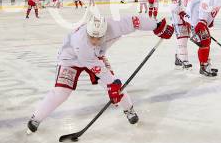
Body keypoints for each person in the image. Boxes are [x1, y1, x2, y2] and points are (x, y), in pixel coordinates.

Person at [26, 12, 174, 134]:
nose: (96, 40)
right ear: (87, 33)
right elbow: (98, 69)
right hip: (70, 58)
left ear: (105, 31)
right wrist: (112, 85)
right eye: (92, 37)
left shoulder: (114, 25)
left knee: (116, 84)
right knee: (62, 91)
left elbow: (136, 21)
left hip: (96, 56)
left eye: (99, 37)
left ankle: (129, 110)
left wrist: (157, 26)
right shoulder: (81, 43)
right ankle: (36, 118)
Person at [169, 0, 194, 69]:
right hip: (178, 18)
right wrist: (182, 13)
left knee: (184, 39)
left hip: (187, 17)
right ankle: (184, 60)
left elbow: (191, 1)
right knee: (182, 39)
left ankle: (178, 58)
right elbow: (174, 5)